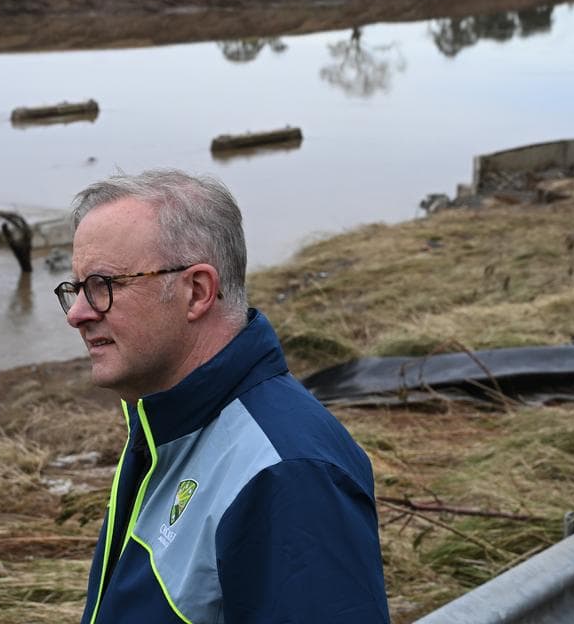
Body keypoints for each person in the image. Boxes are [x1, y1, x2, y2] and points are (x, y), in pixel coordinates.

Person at [53, 169, 391, 624]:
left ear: (196, 292)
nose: (76, 314)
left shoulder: (286, 473)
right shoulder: (166, 427)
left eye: (103, 286)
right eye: (75, 289)